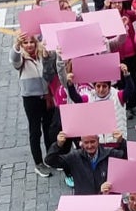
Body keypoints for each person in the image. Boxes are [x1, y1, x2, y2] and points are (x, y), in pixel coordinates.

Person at [12, 32, 58, 177]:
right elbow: (14, 59)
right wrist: (16, 46)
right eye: (26, 43)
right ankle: (38, 163)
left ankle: (51, 157)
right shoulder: (21, 59)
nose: (29, 45)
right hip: (31, 99)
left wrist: (47, 56)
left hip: (47, 96)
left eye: (32, 42)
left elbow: (51, 69)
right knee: (35, 131)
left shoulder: (40, 55)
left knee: (49, 128)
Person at [44, 131, 126, 195]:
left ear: (98, 140)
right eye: (86, 143)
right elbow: (50, 161)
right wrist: (58, 145)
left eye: (92, 142)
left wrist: (121, 141)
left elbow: (127, 158)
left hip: (105, 199)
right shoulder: (74, 157)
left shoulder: (109, 153)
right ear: (81, 143)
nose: (90, 146)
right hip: (84, 202)